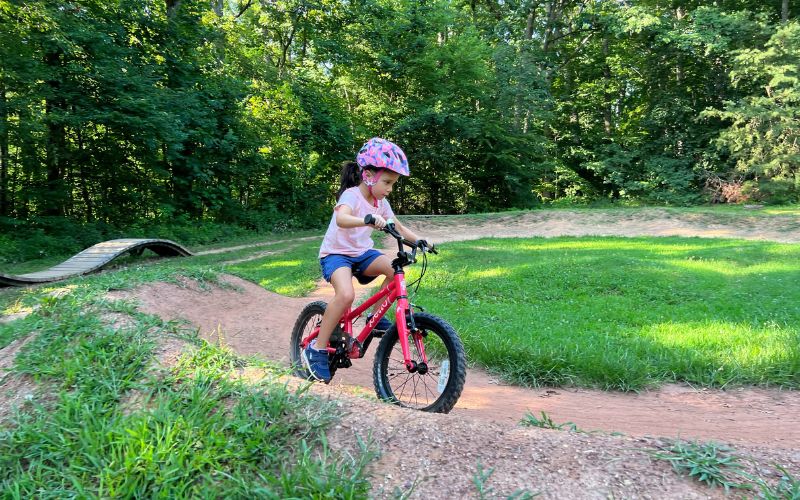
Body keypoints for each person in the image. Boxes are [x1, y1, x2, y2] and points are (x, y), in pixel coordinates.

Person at [303, 137, 433, 382]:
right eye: (387, 182)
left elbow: (399, 228)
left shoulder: (381, 203)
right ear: (368, 175)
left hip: (362, 253)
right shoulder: (352, 196)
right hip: (336, 254)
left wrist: (421, 242)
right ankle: (317, 348)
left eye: (393, 183)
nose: (390, 188)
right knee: (345, 295)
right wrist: (366, 219)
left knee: (395, 270)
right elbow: (342, 219)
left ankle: (374, 318)